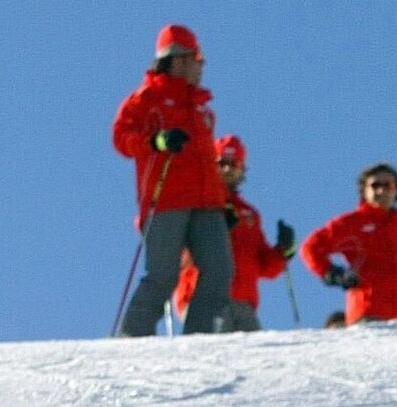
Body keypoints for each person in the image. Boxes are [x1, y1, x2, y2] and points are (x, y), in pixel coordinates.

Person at [111, 24, 233, 336]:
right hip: (166, 201)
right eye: (198, 58)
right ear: (178, 59)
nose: (201, 65)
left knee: (220, 270)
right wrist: (157, 142)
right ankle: (131, 335)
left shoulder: (200, 106)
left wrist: (224, 202)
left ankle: (200, 336)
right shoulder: (146, 100)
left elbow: (207, 160)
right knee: (163, 277)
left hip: (207, 203)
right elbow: (121, 138)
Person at [299, 162, 397, 324]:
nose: (381, 190)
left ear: (396, 190)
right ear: (364, 190)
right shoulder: (352, 224)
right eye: (375, 185)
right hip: (366, 317)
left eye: (388, 185)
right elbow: (311, 247)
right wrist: (334, 274)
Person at [175, 135, 294, 332]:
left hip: (243, 303)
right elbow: (178, 252)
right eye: (222, 162)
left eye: (234, 163)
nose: (228, 169)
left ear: (242, 168)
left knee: (257, 360)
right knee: (213, 356)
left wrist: (284, 250)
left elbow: (265, 266)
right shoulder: (195, 202)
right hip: (204, 298)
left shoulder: (249, 214)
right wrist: (217, 232)